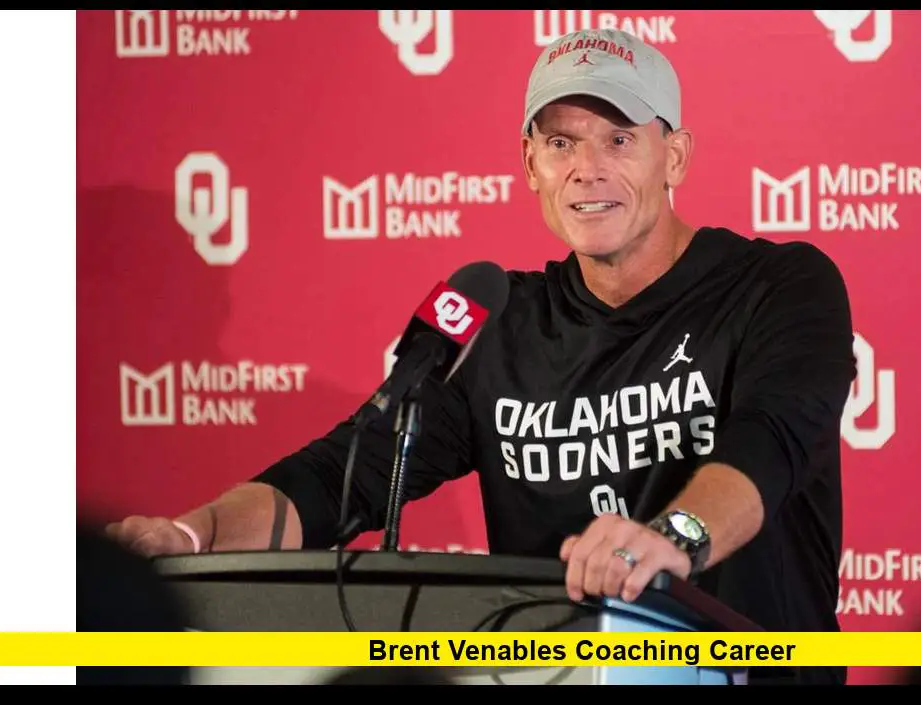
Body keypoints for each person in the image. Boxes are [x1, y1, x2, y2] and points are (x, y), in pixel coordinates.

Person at [106, 28, 857, 686]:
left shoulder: (780, 285)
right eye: (560, 143)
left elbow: (772, 441)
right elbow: (344, 473)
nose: (586, 169)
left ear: (676, 156)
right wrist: (192, 534)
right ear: (530, 164)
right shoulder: (498, 322)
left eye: (619, 139)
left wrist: (673, 539)